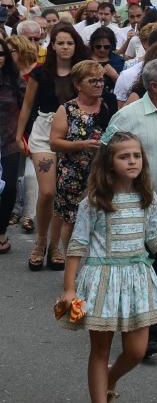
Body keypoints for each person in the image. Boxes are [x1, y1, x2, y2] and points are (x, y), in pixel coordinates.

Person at [58, 132, 157, 403]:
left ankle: (111, 377)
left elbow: (155, 240)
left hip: (137, 280)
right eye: (124, 156)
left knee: (136, 351)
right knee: (100, 350)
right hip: (102, 279)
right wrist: (69, 289)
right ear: (108, 163)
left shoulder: (148, 198)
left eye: (137, 155)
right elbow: (77, 246)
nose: (132, 161)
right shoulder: (94, 201)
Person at [107, 57, 157, 359]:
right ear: (154, 86)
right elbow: (105, 156)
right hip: (136, 202)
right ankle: (144, 325)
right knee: (139, 264)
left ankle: (147, 317)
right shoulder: (128, 117)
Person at [15, 22, 88, 271]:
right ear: (53, 45)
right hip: (43, 132)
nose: (65, 47)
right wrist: (18, 136)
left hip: (71, 134)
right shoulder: (40, 72)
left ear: (75, 44)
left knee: (61, 194)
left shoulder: (81, 72)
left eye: (69, 42)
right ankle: (40, 242)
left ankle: (55, 246)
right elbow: (26, 106)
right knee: (47, 192)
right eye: (61, 43)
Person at [49, 59, 116, 259]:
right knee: (71, 220)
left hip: (103, 172)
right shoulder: (67, 109)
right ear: (78, 84)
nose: (99, 84)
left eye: (101, 80)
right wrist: (82, 145)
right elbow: (54, 143)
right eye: (92, 81)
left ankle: (97, 263)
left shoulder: (108, 105)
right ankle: (72, 265)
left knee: (104, 218)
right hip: (72, 174)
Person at [0, 38, 25, 255]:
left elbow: (26, 106)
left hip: (8, 141)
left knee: (8, 189)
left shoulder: (13, 78)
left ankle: (1, 232)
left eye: (0, 53)